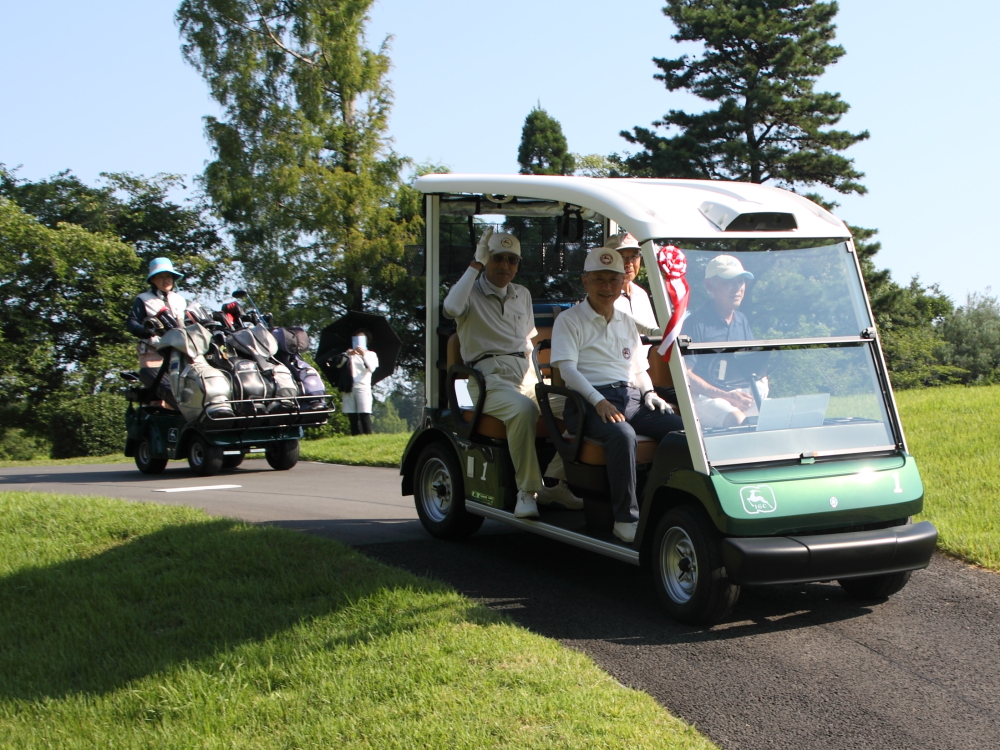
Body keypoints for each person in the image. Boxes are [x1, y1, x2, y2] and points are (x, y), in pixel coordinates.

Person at [443, 228, 582, 518]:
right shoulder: (470, 292)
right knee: (522, 410)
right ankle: (527, 491)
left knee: (580, 405)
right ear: (487, 259)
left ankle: (554, 481)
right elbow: (450, 307)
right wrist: (475, 264)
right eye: (498, 258)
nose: (505, 266)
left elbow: (526, 342)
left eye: (512, 260)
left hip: (527, 376)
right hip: (487, 379)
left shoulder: (523, 294)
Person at [550, 247, 683, 543]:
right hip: (587, 403)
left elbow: (637, 369)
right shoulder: (569, 320)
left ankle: (664, 506)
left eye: (613, 280)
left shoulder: (625, 320)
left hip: (631, 399)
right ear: (585, 281)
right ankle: (625, 518)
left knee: (680, 429)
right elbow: (568, 371)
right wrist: (599, 401)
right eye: (599, 280)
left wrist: (649, 393)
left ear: (622, 281)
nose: (607, 287)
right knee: (623, 435)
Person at [681, 254, 767, 428]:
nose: (737, 288)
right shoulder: (694, 324)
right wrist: (726, 396)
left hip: (739, 395)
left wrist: (760, 386)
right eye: (729, 282)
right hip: (705, 398)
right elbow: (686, 375)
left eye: (740, 282)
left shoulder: (741, 320)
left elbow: (754, 364)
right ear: (709, 285)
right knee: (737, 420)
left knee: (778, 415)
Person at [126, 257, 187, 373]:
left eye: (168, 276)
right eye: (161, 277)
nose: (166, 280)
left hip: (178, 351)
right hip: (153, 352)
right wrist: (145, 331)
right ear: (152, 279)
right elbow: (132, 322)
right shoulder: (143, 299)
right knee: (163, 388)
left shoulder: (179, 299)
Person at [339, 329, 379, 435]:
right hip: (349, 387)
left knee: (364, 415)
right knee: (352, 417)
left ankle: (367, 436)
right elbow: (338, 365)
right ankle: (355, 436)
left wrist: (363, 355)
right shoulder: (348, 354)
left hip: (363, 387)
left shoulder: (371, 354)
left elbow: (371, 368)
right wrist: (347, 355)